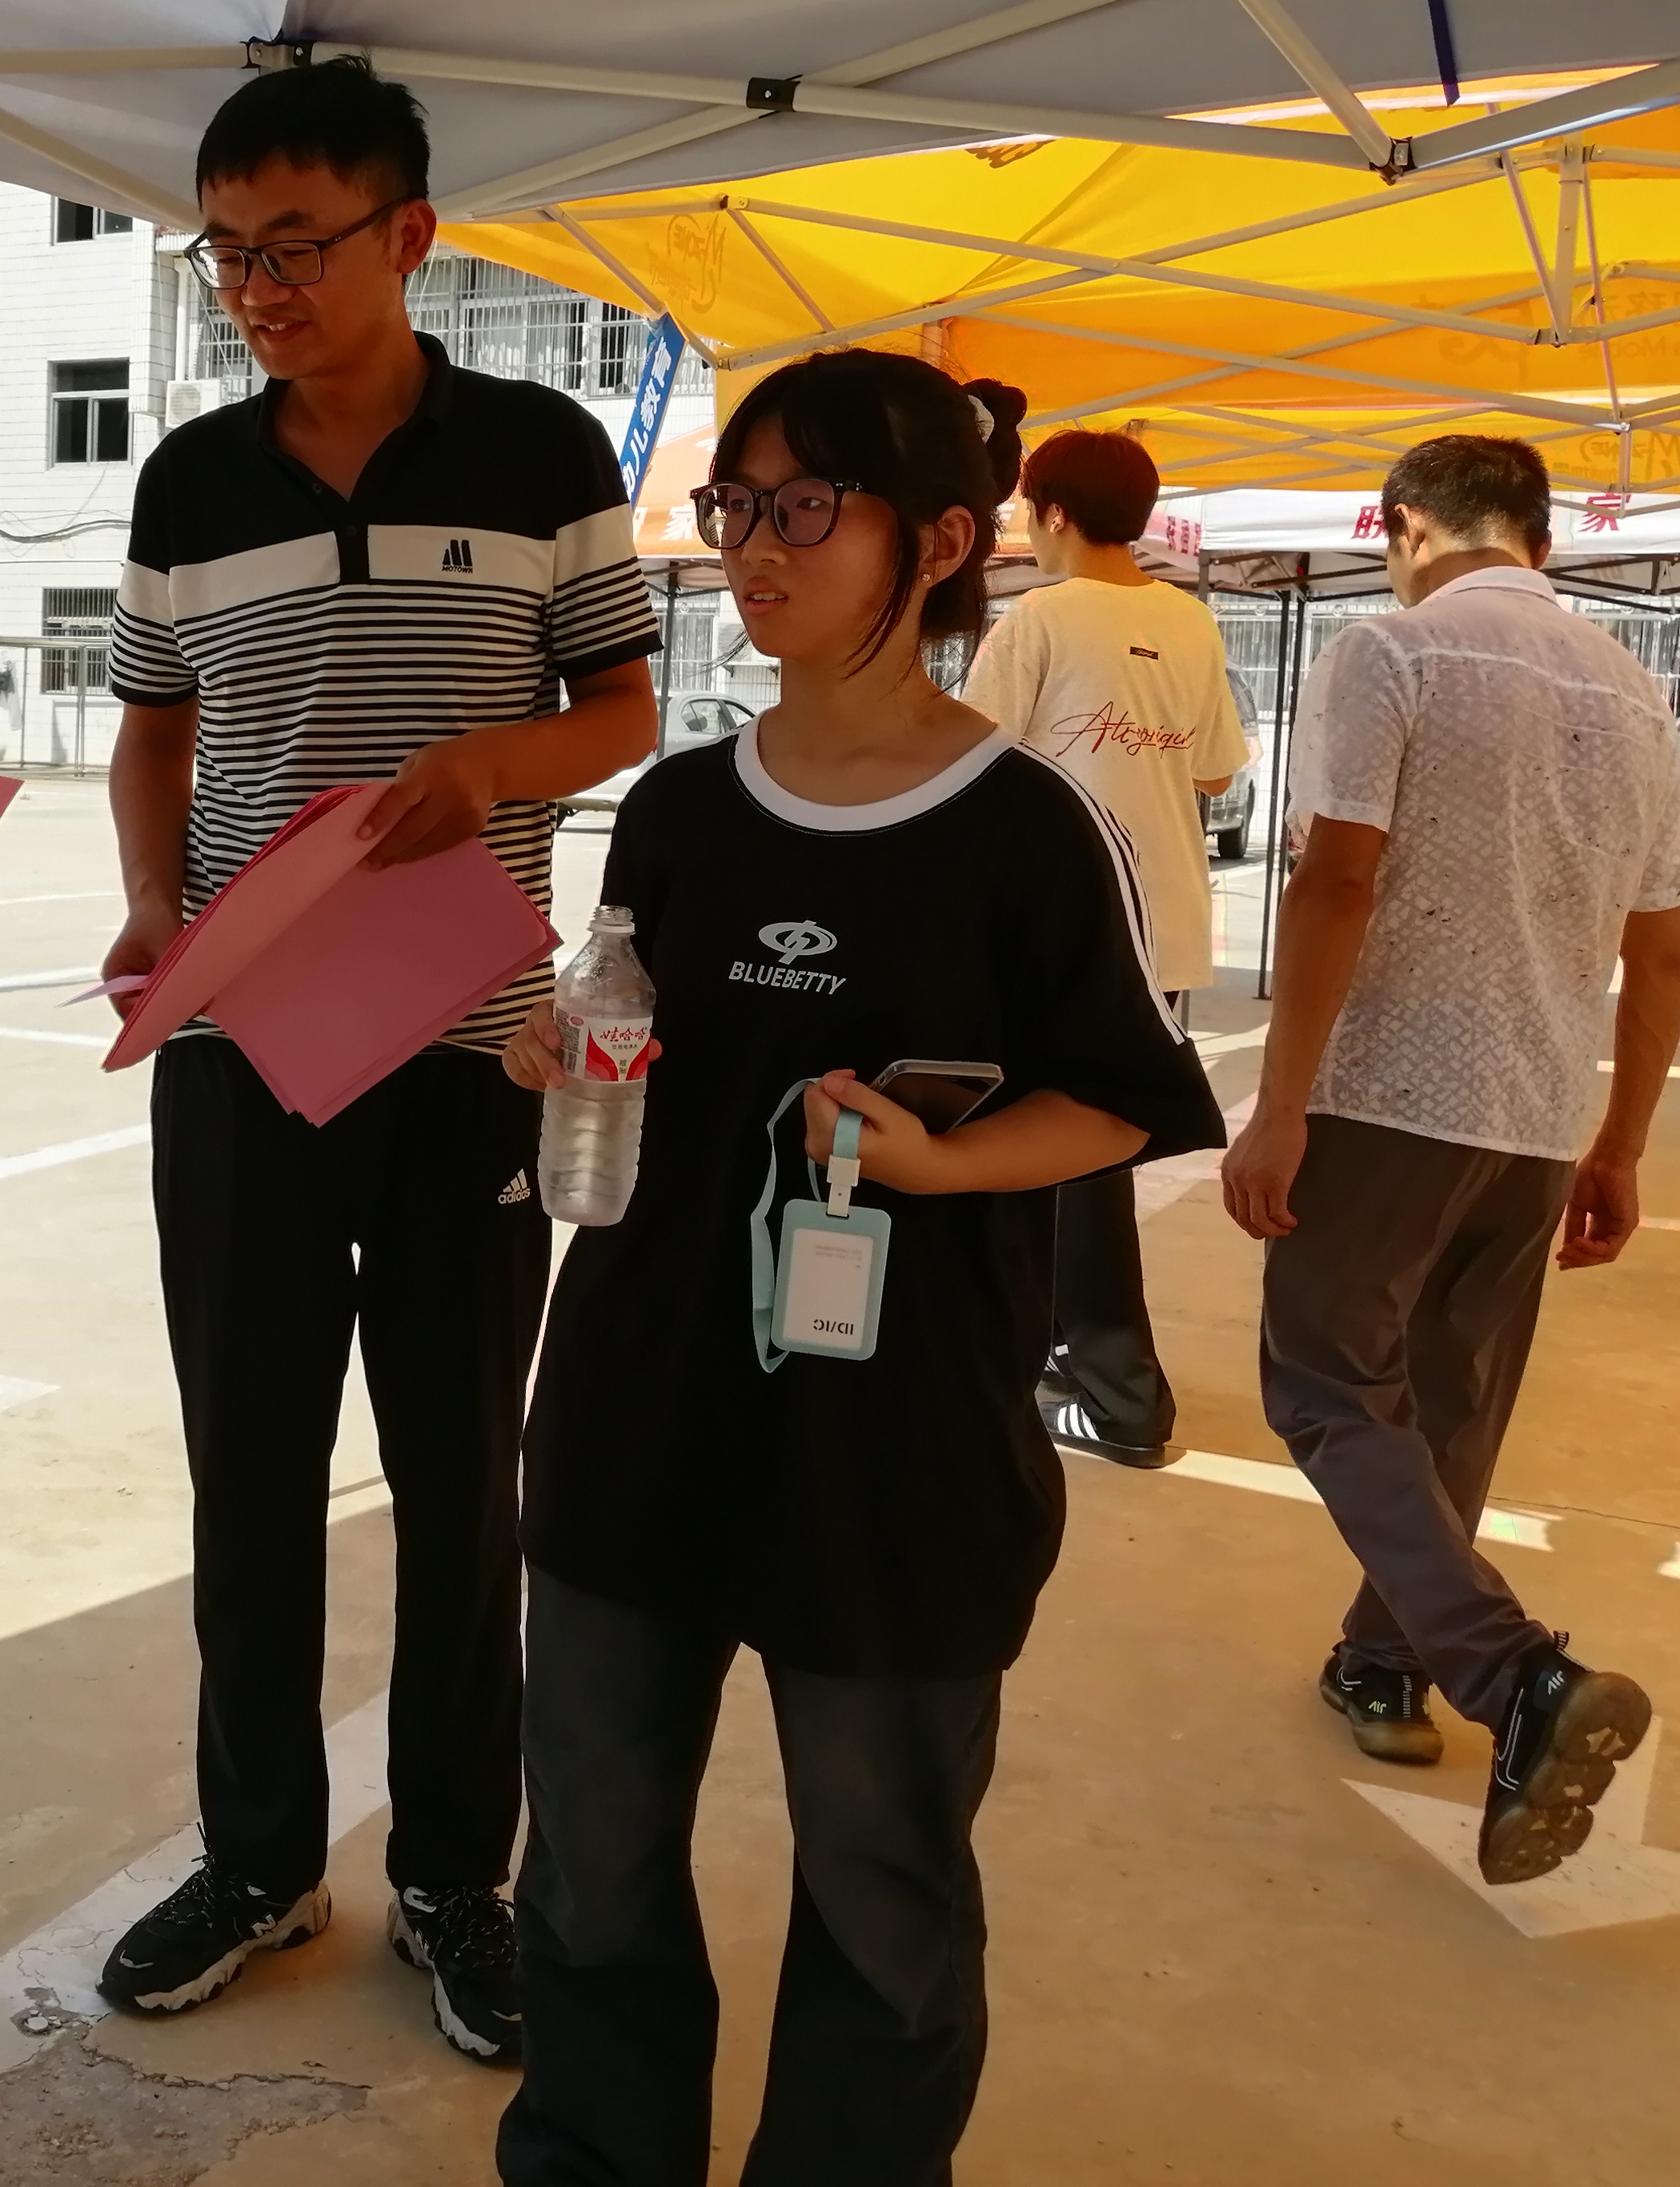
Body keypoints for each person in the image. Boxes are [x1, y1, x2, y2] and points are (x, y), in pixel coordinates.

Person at [498, 349, 1223, 2187]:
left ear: (943, 543)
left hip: (896, 1454)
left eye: (807, 507)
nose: (754, 546)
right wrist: (573, 1055)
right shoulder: (677, 808)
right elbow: (631, 1020)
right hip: (640, 1408)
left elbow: (1122, 1098)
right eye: (735, 506)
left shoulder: (1020, 826)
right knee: (587, 1860)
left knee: (882, 1887)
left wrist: (944, 1160)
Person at [95, 59, 660, 2061]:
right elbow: (152, 726)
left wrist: (488, 768)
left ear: (408, 235)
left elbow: (623, 710)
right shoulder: (187, 480)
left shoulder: (541, 449)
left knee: (457, 1483)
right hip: (242, 1043)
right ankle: (258, 1861)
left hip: (469, 1051)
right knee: (246, 1479)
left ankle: (451, 1877)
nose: (260, 289)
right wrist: (153, 905)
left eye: (297, 248)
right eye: (229, 255)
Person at [1221, 434, 1680, 1880]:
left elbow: (1337, 877)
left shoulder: (1392, 651)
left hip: (1391, 1096)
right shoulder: (1636, 690)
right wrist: (1622, 1142)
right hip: (1540, 1114)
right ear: (1540, 538)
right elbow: (1664, 947)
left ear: (1407, 529)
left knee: (1324, 1383)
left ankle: (1515, 1676)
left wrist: (1282, 1101)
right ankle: (1384, 1663)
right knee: (1451, 1406)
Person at [960, 428, 1249, 1467]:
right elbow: (1216, 769)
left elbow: (968, 760)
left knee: (1059, 1153)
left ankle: (1115, 1386)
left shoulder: (1039, 618)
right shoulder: (1188, 618)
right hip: (1161, 921)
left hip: (1060, 925)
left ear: (1053, 512)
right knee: (1087, 1149)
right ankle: (1068, 1364)